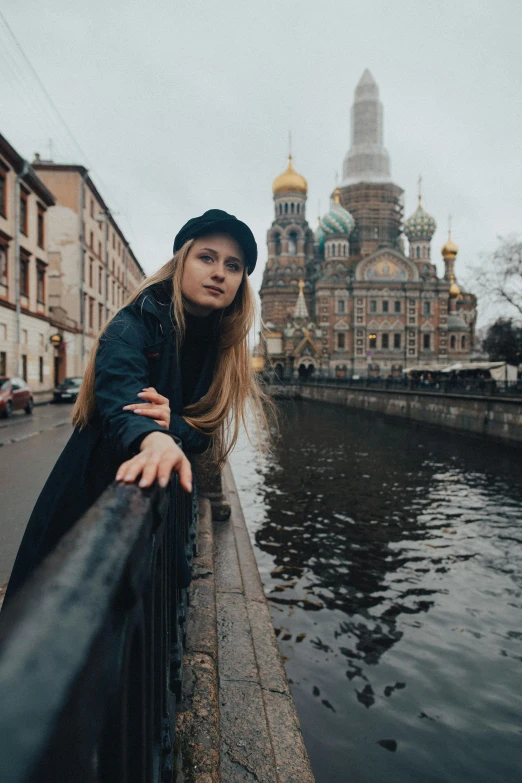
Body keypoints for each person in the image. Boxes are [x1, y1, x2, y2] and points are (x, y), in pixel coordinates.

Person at [2, 209, 268, 607]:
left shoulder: (222, 345)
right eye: (207, 258)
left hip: (156, 511)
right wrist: (154, 439)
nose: (219, 273)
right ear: (181, 262)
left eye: (233, 266)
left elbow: (204, 432)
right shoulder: (136, 321)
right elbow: (122, 391)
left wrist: (173, 425)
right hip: (95, 489)